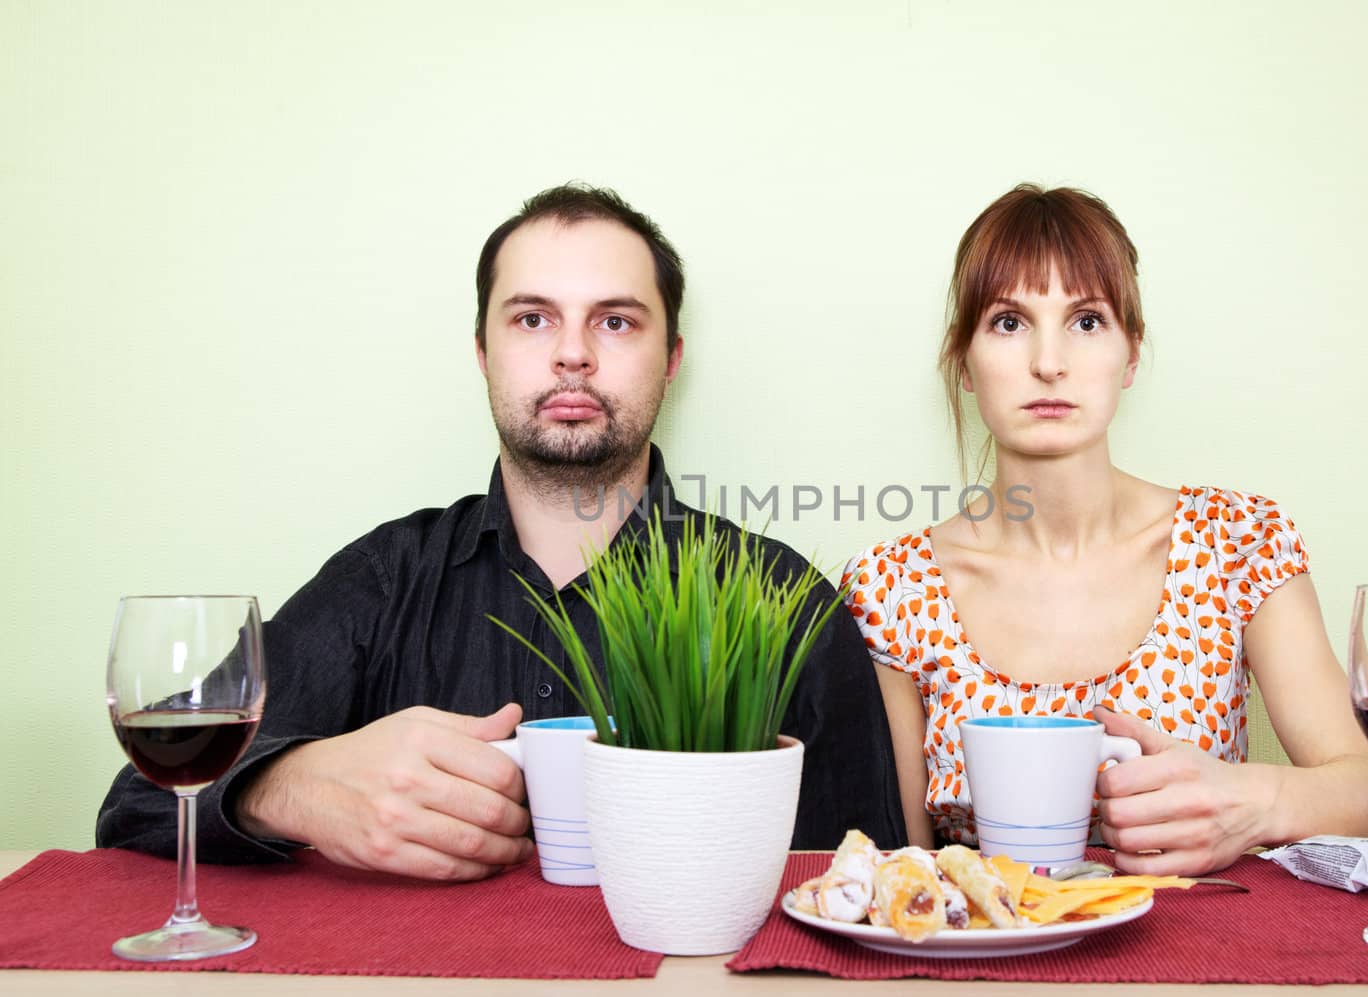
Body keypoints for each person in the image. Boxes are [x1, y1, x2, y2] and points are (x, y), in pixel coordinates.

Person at [97, 183, 906, 879]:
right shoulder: (382, 580)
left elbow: (873, 876)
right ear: (483, 351)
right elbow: (136, 800)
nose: (573, 355)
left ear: (671, 359)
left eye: (616, 322)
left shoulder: (782, 599)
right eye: (532, 319)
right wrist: (294, 786)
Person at [841, 184, 1368, 875]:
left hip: (1207, 964)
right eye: (1009, 322)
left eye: (1086, 321)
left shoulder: (1239, 542)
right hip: (996, 970)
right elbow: (912, 873)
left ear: (1132, 354)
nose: (1049, 362)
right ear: (964, 361)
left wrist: (1254, 798)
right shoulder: (893, 586)